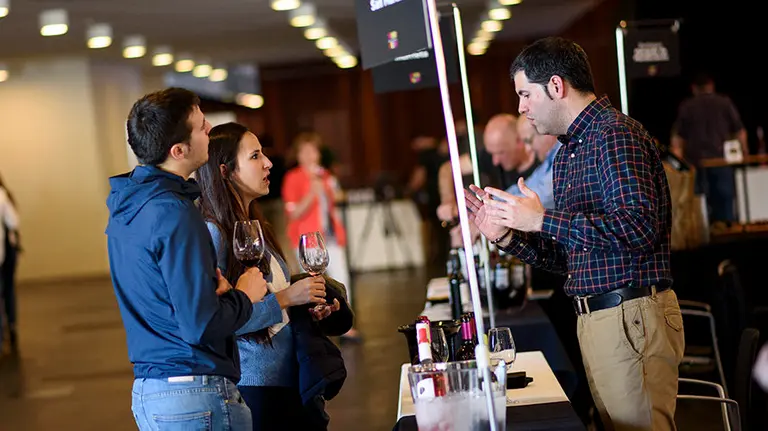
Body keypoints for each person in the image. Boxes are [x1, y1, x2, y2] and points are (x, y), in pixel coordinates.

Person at [465, 37, 684, 431]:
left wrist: (540, 221)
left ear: (555, 86)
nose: (521, 107)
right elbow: (568, 257)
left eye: (525, 94)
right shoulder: (568, 152)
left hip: (629, 315)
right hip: (595, 318)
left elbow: (638, 228)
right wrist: (506, 236)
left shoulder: (614, 135)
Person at [105, 88, 268, 431]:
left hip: (152, 391)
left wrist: (213, 296)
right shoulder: (174, 212)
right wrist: (245, 294)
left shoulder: (128, 207)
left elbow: (166, 301)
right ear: (178, 151)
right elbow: (201, 326)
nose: (210, 129)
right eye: (201, 126)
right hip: (194, 391)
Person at [196, 122, 353, 430]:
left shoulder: (252, 224)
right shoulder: (214, 233)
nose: (268, 163)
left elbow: (270, 302)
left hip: (287, 379)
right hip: (257, 387)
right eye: (255, 156)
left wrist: (306, 306)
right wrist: (285, 298)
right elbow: (219, 323)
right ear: (225, 171)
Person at [282, 132, 361, 341]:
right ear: (298, 155)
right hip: (307, 239)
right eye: (304, 151)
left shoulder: (325, 175)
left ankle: (344, 325)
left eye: (313, 150)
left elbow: (337, 198)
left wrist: (330, 187)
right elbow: (293, 213)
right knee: (310, 284)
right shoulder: (292, 178)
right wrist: (312, 192)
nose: (309, 155)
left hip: (331, 236)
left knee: (341, 280)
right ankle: (312, 327)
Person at [671, 73, 747, 223]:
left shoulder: (687, 106)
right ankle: (726, 232)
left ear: (694, 88)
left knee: (699, 207)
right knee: (725, 207)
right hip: (721, 162)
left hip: (696, 163)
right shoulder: (724, 103)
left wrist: (678, 164)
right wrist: (743, 153)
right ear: (711, 85)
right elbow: (740, 132)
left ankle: (704, 233)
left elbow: (678, 139)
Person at [504, 115, 562, 209]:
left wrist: (497, 204)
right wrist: (492, 199)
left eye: (529, 141)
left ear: (545, 132)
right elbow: (526, 186)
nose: (528, 149)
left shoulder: (564, 154)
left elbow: (543, 197)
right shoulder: (548, 158)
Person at [483, 113, 540, 191]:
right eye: (491, 153)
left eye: (501, 153)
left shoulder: (544, 163)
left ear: (519, 141)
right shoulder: (493, 156)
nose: (495, 162)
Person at [0, 173, 19, 352]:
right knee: (8, 290)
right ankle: (11, 326)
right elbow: (13, 221)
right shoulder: (4, 195)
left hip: (4, 252)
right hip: (6, 252)